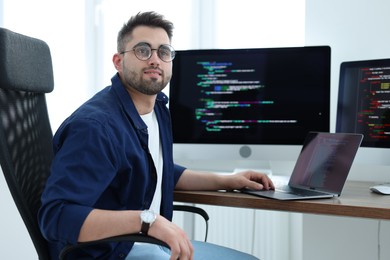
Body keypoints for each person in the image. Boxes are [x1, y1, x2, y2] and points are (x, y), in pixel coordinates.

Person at [38, 11, 274, 260]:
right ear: (118, 61)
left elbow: (158, 170)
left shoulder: (157, 108)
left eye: (163, 52)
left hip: (141, 243)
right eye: (142, 50)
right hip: (109, 254)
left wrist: (228, 181)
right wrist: (148, 221)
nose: (155, 59)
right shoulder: (95, 127)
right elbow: (56, 217)